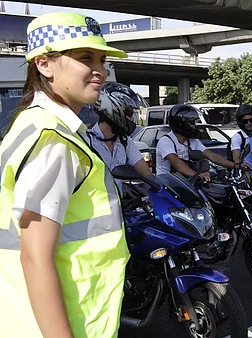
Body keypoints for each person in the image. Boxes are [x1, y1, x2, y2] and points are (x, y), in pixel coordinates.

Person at [0, 12, 130, 338]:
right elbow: (35, 256)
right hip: (65, 323)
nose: (100, 70)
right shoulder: (53, 141)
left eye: (102, 59)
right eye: (85, 58)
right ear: (44, 64)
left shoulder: (33, 123)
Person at [86, 83, 152, 191]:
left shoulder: (125, 142)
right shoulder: (88, 141)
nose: (132, 119)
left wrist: (159, 189)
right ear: (113, 108)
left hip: (117, 206)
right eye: (129, 113)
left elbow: (146, 173)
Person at [156, 104, 244, 180]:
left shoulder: (192, 141)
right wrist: (196, 174)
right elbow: (177, 163)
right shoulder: (166, 141)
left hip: (184, 182)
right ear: (181, 124)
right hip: (167, 184)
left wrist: (235, 165)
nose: (195, 126)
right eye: (192, 123)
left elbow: (212, 156)